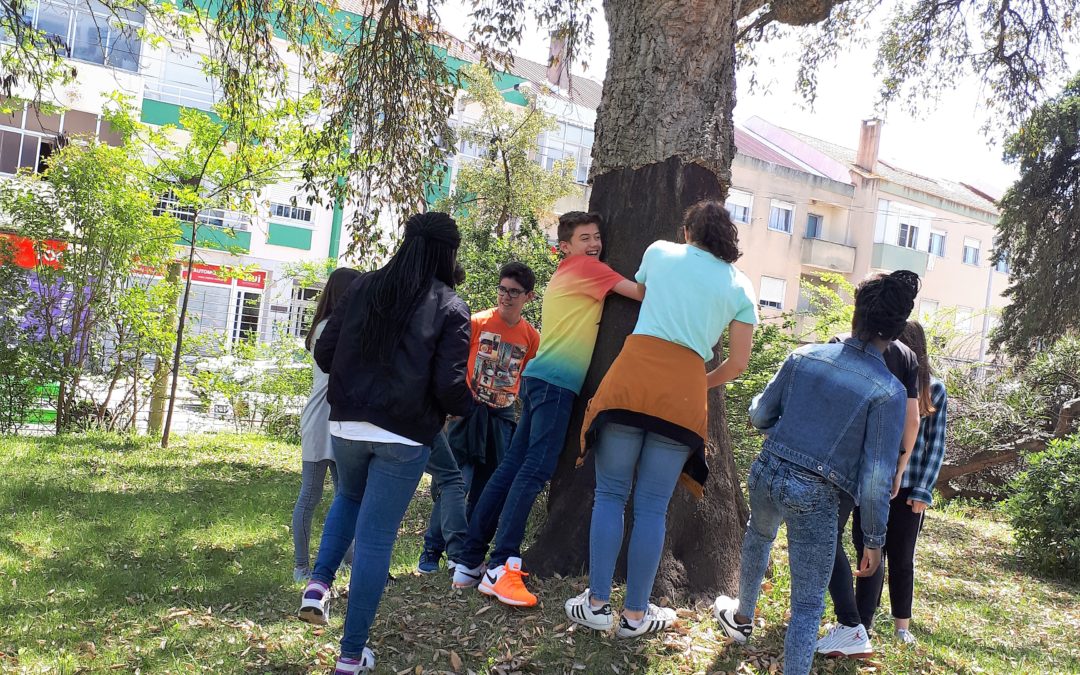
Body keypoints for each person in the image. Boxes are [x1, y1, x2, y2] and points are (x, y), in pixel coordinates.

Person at [563, 200, 757, 638]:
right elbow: (739, 364)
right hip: (684, 391)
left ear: (688, 231)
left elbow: (648, 294)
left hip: (631, 377)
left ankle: (596, 603)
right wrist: (695, 383)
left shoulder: (660, 252)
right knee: (653, 506)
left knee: (610, 493)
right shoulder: (740, 287)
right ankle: (635, 616)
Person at [713, 270, 920, 675]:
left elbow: (758, 414)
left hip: (767, 470)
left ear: (856, 313)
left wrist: (785, 437)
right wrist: (874, 540)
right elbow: (877, 478)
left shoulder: (804, 355)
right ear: (894, 333)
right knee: (806, 606)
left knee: (759, 535)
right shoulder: (888, 391)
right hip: (818, 495)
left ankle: (742, 617)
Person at [297, 212, 474, 675]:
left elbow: (325, 352)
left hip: (348, 424)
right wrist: (471, 406)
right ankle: (351, 656)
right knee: (375, 540)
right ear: (446, 253)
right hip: (404, 435)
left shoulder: (363, 287)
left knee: (347, 498)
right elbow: (450, 386)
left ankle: (317, 584)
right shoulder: (451, 308)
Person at [451, 211, 644, 607]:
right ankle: (501, 566)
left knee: (510, 470)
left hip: (539, 381)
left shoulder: (563, 273)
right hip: (555, 386)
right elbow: (642, 293)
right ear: (567, 246)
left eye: (597, 237)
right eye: (584, 237)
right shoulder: (588, 269)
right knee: (532, 472)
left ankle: (469, 562)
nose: (594, 244)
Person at [817, 275, 923, 658]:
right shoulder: (906, 357)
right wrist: (900, 466)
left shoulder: (836, 347)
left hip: (838, 462)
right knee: (869, 542)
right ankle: (860, 621)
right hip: (880, 463)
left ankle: (850, 624)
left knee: (828, 537)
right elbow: (912, 421)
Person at [419, 262, 541, 574]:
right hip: (467, 414)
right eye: (503, 289)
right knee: (457, 483)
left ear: (528, 297)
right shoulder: (477, 322)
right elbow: (454, 364)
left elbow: (524, 375)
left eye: (514, 292)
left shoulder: (531, 337)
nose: (506, 296)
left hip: (501, 418)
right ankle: (432, 551)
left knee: (486, 489)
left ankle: (465, 555)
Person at [853, 320, 948, 645]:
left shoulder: (933, 389)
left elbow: (935, 445)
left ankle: (901, 626)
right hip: (872, 485)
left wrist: (922, 491)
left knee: (902, 558)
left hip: (909, 490)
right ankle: (862, 622)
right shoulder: (878, 380)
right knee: (868, 551)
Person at [291, 266, 361, 583]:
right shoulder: (329, 328)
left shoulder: (337, 325)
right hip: (322, 418)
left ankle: (347, 558)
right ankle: (301, 567)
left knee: (345, 493)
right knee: (310, 495)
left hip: (341, 418)